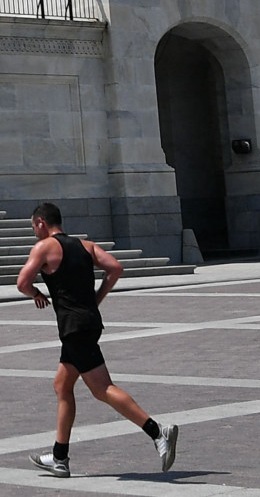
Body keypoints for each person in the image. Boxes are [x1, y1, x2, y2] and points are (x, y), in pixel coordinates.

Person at [15, 201, 177, 478]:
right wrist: (96, 298)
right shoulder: (85, 246)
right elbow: (115, 268)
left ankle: (156, 431)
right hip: (89, 322)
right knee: (62, 386)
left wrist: (38, 295)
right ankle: (60, 457)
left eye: (34, 228)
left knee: (102, 389)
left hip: (73, 327)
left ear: (41, 223)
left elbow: (22, 283)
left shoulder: (44, 247)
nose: (35, 233)